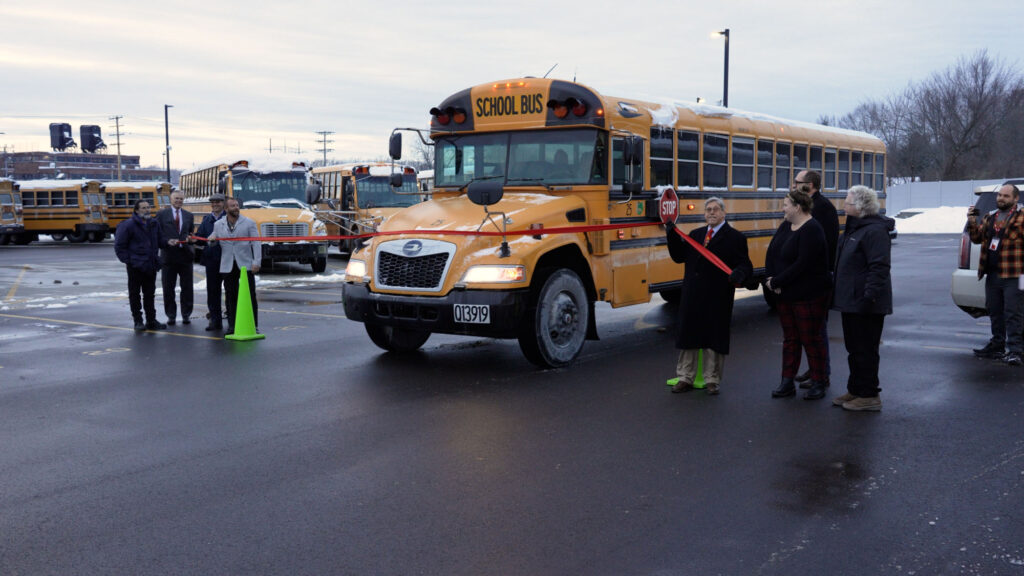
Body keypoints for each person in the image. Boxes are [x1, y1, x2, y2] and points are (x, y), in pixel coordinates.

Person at [665, 197, 753, 396]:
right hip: (693, 294)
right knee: (689, 336)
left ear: (723, 213)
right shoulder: (695, 235)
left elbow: (745, 265)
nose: (711, 213)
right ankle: (685, 377)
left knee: (714, 338)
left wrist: (739, 273)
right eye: (708, 210)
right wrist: (671, 234)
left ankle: (712, 379)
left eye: (715, 209)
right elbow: (679, 257)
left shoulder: (735, 238)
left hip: (717, 295)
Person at [765, 188, 833, 400]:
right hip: (785, 294)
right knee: (791, 339)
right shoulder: (786, 225)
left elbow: (803, 264)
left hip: (808, 294)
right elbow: (774, 252)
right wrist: (771, 280)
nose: (782, 208)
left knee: (811, 339)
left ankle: (819, 380)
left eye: (786, 205)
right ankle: (787, 381)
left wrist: (777, 281)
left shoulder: (812, 229)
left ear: (797, 207)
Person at [831, 186, 894, 411]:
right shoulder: (854, 229)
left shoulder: (874, 231)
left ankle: (869, 395)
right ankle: (856, 389)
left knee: (866, 349)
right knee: (854, 348)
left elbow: (879, 267)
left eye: (847, 202)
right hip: (851, 301)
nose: (844, 206)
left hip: (866, 302)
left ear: (860, 206)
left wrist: (870, 297)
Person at [968, 183, 1024, 366]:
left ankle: (1016, 350)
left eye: (1006, 196)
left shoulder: (1022, 218)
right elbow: (976, 239)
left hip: (1015, 274)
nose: (1001, 198)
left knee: (1013, 312)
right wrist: (971, 221)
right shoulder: (990, 217)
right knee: (995, 311)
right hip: (992, 274)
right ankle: (997, 345)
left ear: (1016, 199)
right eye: (1000, 195)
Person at [793, 170, 839, 389]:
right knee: (809, 330)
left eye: (797, 182)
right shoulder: (808, 205)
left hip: (818, 278)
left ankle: (822, 373)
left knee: (817, 329)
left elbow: (825, 244)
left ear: (810, 185)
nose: (793, 185)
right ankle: (814, 368)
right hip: (807, 278)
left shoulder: (823, 208)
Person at [208, 197, 261, 335]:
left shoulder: (249, 223)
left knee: (250, 295)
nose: (236, 208)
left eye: (237, 205)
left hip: (245, 264)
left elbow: (256, 243)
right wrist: (211, 240)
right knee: (230, 296)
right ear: (226, 209)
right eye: (233, 206)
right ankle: (232, 325)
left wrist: (256, 262)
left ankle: (253, 324)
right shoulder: (218, 224)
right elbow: (213, 239)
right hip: (227, 265)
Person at [113, 199, 166, 331]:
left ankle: (151, 320)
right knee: (135, 294)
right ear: (136, 210)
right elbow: (119, 246)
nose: (147, 210)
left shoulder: (154, 224)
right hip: (135, 266)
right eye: (143, 208)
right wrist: (129, 261)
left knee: (150, 294)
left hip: (150, 265)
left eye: (148, 207)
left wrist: (169, 242)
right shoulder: (128, 225)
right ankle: (138, 321)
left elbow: (160, 241)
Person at [155, 190, 195, 325]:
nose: (179, 201)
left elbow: (190, 232)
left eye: (181, 199)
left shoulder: (189, 215)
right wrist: (167, 241)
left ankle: (186, 314)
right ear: (171, 199)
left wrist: (190, 239)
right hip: (168, 256)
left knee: (187, 288)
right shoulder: (161, 215)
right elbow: (157, 234)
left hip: (185, 256)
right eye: (176, 198)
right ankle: (171, 315)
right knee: (168, 288)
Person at [195, 193, 227, 331]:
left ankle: (232, 320)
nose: (215, 204)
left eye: (218, 202)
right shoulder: (206, 219)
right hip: (211, 261)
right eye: (213, 202)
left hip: (227, 259)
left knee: (231, 292)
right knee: (213, 292)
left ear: (223, 203)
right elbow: (200, 237)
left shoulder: (229, 217)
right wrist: (193, 239)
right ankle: (215, 320)